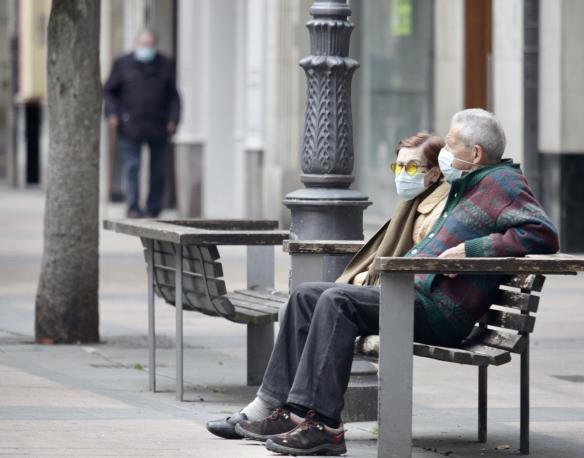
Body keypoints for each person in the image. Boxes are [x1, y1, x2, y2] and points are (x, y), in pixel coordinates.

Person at [207, 109, 560, 456]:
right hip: (412, 295)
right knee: (305, 296)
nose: (446, 152)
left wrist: (474, 249)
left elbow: (543, 234)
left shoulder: (503, 183)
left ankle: (323, 426)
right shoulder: (468, 184)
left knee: (337, 302)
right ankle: (274, 408)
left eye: (451, 144)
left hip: (440, 311)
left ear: (476, 153)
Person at [103, 28, 181, 218]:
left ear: (155, 45)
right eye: (143, 44)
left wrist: (173, 119)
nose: (146, 48)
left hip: (159, 125)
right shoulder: (122, 64)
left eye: (149, 44)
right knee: (132, 165)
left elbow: (174, 96)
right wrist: (113, 114)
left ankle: (153, 207)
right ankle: (133, 206)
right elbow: (109, 92)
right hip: (130, 125)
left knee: (158, 168)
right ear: (136, 44)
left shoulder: (166, 64)